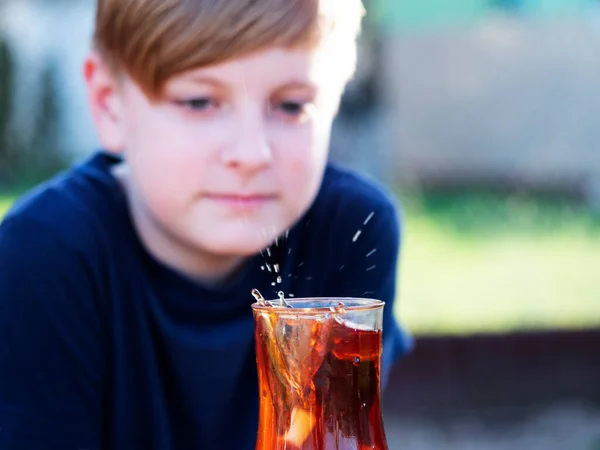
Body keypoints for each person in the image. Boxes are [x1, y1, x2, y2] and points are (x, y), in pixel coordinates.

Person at [0, 0, 413, 448]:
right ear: (110, 103)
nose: (252, 153)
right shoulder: (45, 256)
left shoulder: (349, 231)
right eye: (200, 102)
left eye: (291, 106)